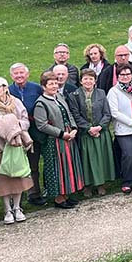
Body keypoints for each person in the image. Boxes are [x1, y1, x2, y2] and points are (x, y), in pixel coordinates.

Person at [0, 77, 34, 224]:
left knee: (18, 177)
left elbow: (25, 122)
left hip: (17, 146)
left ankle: (17, 207)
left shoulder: (16, 102)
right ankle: (7, 210)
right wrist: (2, 126)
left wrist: (14, 125)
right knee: (2, 180)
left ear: (5, 88)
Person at [32, 71, 85, 208]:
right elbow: (41, 125)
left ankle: (67, 194)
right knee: (58, 168)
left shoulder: (59, 97)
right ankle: (58, 198)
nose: (54, 86)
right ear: (44, 86)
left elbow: (69, 114)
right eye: (51, 84)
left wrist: (73, 128)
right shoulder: (41, 103)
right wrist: (61, 134)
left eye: (55, 83)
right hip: (54, 140)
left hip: (68, 136)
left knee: (68, 165)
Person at [67, 69, 115, 197]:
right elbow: (75, 115)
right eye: (85, 79)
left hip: (101, 132)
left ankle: (101, 184)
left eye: (91, 79)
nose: (88, 81)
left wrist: (99, 127)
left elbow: (107, 113)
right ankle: (87, 185)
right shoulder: (74, 95)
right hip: (85, 133)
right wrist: (89, 128)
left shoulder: (101, 93)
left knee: (101, 158)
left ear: (95, 81)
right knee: (87, 160)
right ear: (81, 81)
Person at [105, 64, 132, 193]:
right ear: (118, 76)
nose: (125, 77)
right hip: (124, 128)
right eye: (122, 75)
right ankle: (127, 180)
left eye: (128, 74)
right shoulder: (114, 91)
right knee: (128, 154)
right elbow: (114, 112)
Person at [8, 63, 44, 206]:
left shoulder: (35, 88)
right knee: (17, 166)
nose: (19, 76)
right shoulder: (8, 91)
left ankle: (34, 193)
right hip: (16, 133)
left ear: (27, 74)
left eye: (22, 73)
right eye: (16, 73)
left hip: (34, 131)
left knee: (33, 164)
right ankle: (17, 198)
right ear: (12, 76)